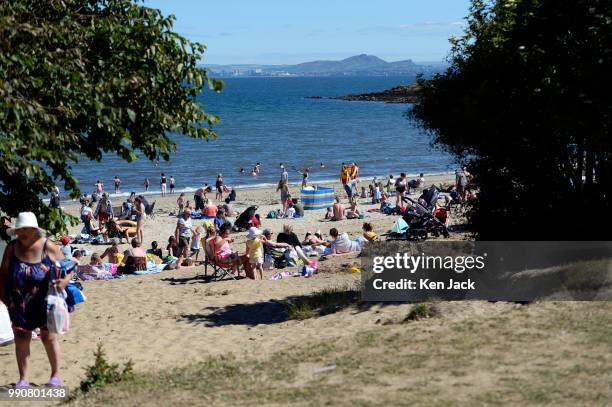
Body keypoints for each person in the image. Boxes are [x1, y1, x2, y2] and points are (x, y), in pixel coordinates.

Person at [0, 212, 70, 387]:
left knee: (48, 338)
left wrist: (63, 282)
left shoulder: (49, 246)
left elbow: (69, 268)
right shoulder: (12, 247)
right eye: (19, 230)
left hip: (45, 301)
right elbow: (3, 273)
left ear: (34, 230)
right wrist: (3, 296)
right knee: (22, 338)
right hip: (18, 301)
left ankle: (55, 376)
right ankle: (23, 379)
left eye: (25, 229)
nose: (21, 233)